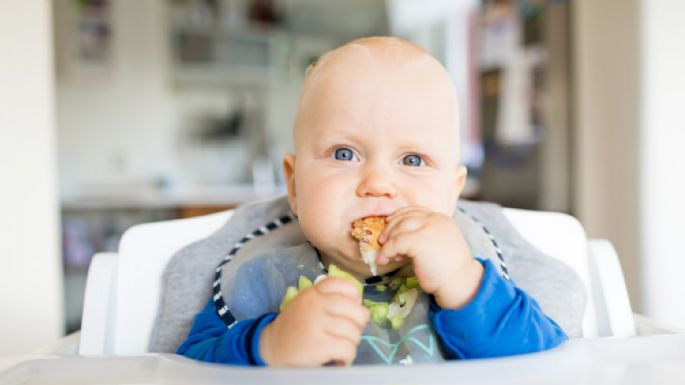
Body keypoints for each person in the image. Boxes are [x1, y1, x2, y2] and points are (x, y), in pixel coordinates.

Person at [175, 36, 573, 366]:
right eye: (344, 154)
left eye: (413, 160)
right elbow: (188, 367)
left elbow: (544, 362)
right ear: (294, 187)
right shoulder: (262, 275)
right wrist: (268, 345)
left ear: (452, 195)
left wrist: (462, 283)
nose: (378, 184)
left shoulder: (473, 272)